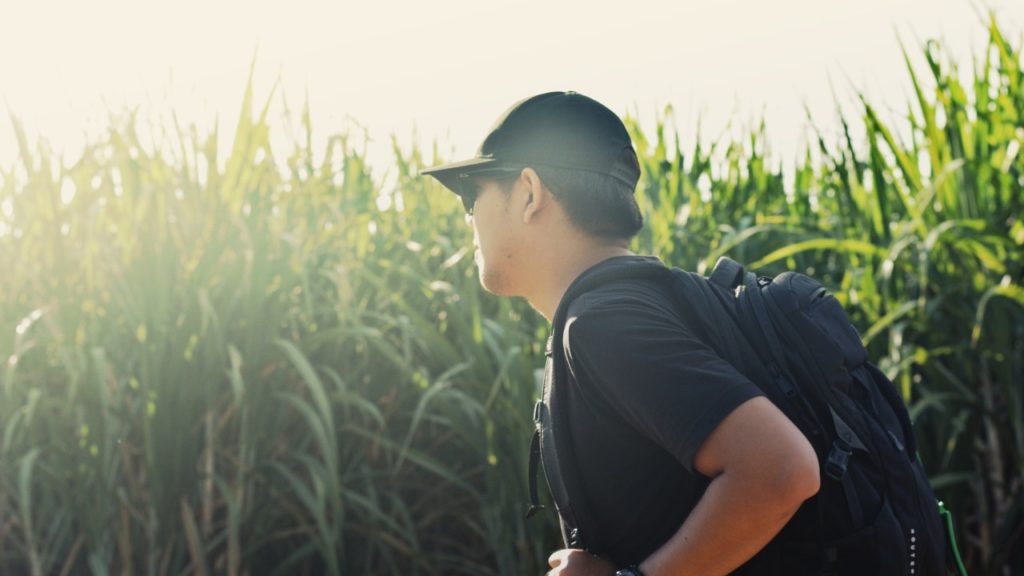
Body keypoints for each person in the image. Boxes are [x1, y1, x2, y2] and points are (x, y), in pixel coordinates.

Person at [422, 92, 821, 576]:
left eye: (471, 194)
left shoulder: (603, 324)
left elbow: (781, 469)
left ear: (529, 193)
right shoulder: (668, 300)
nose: (468, 217)